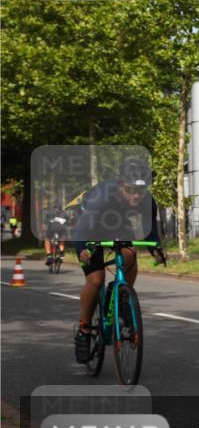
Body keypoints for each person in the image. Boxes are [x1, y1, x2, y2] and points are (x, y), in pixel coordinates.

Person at [72, 156, 166, 364]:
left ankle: (122, 296)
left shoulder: (147, 200)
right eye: (130, 190)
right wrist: (83, 251)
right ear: (120, 185)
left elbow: (149, 229)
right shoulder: (101, 197)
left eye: (140, 191)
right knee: (96, 280)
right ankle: (84, 330)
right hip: (89, 228)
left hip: (118, 225)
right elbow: (82, 230)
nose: (135, 196)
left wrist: (156, 249)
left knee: (129, 254)